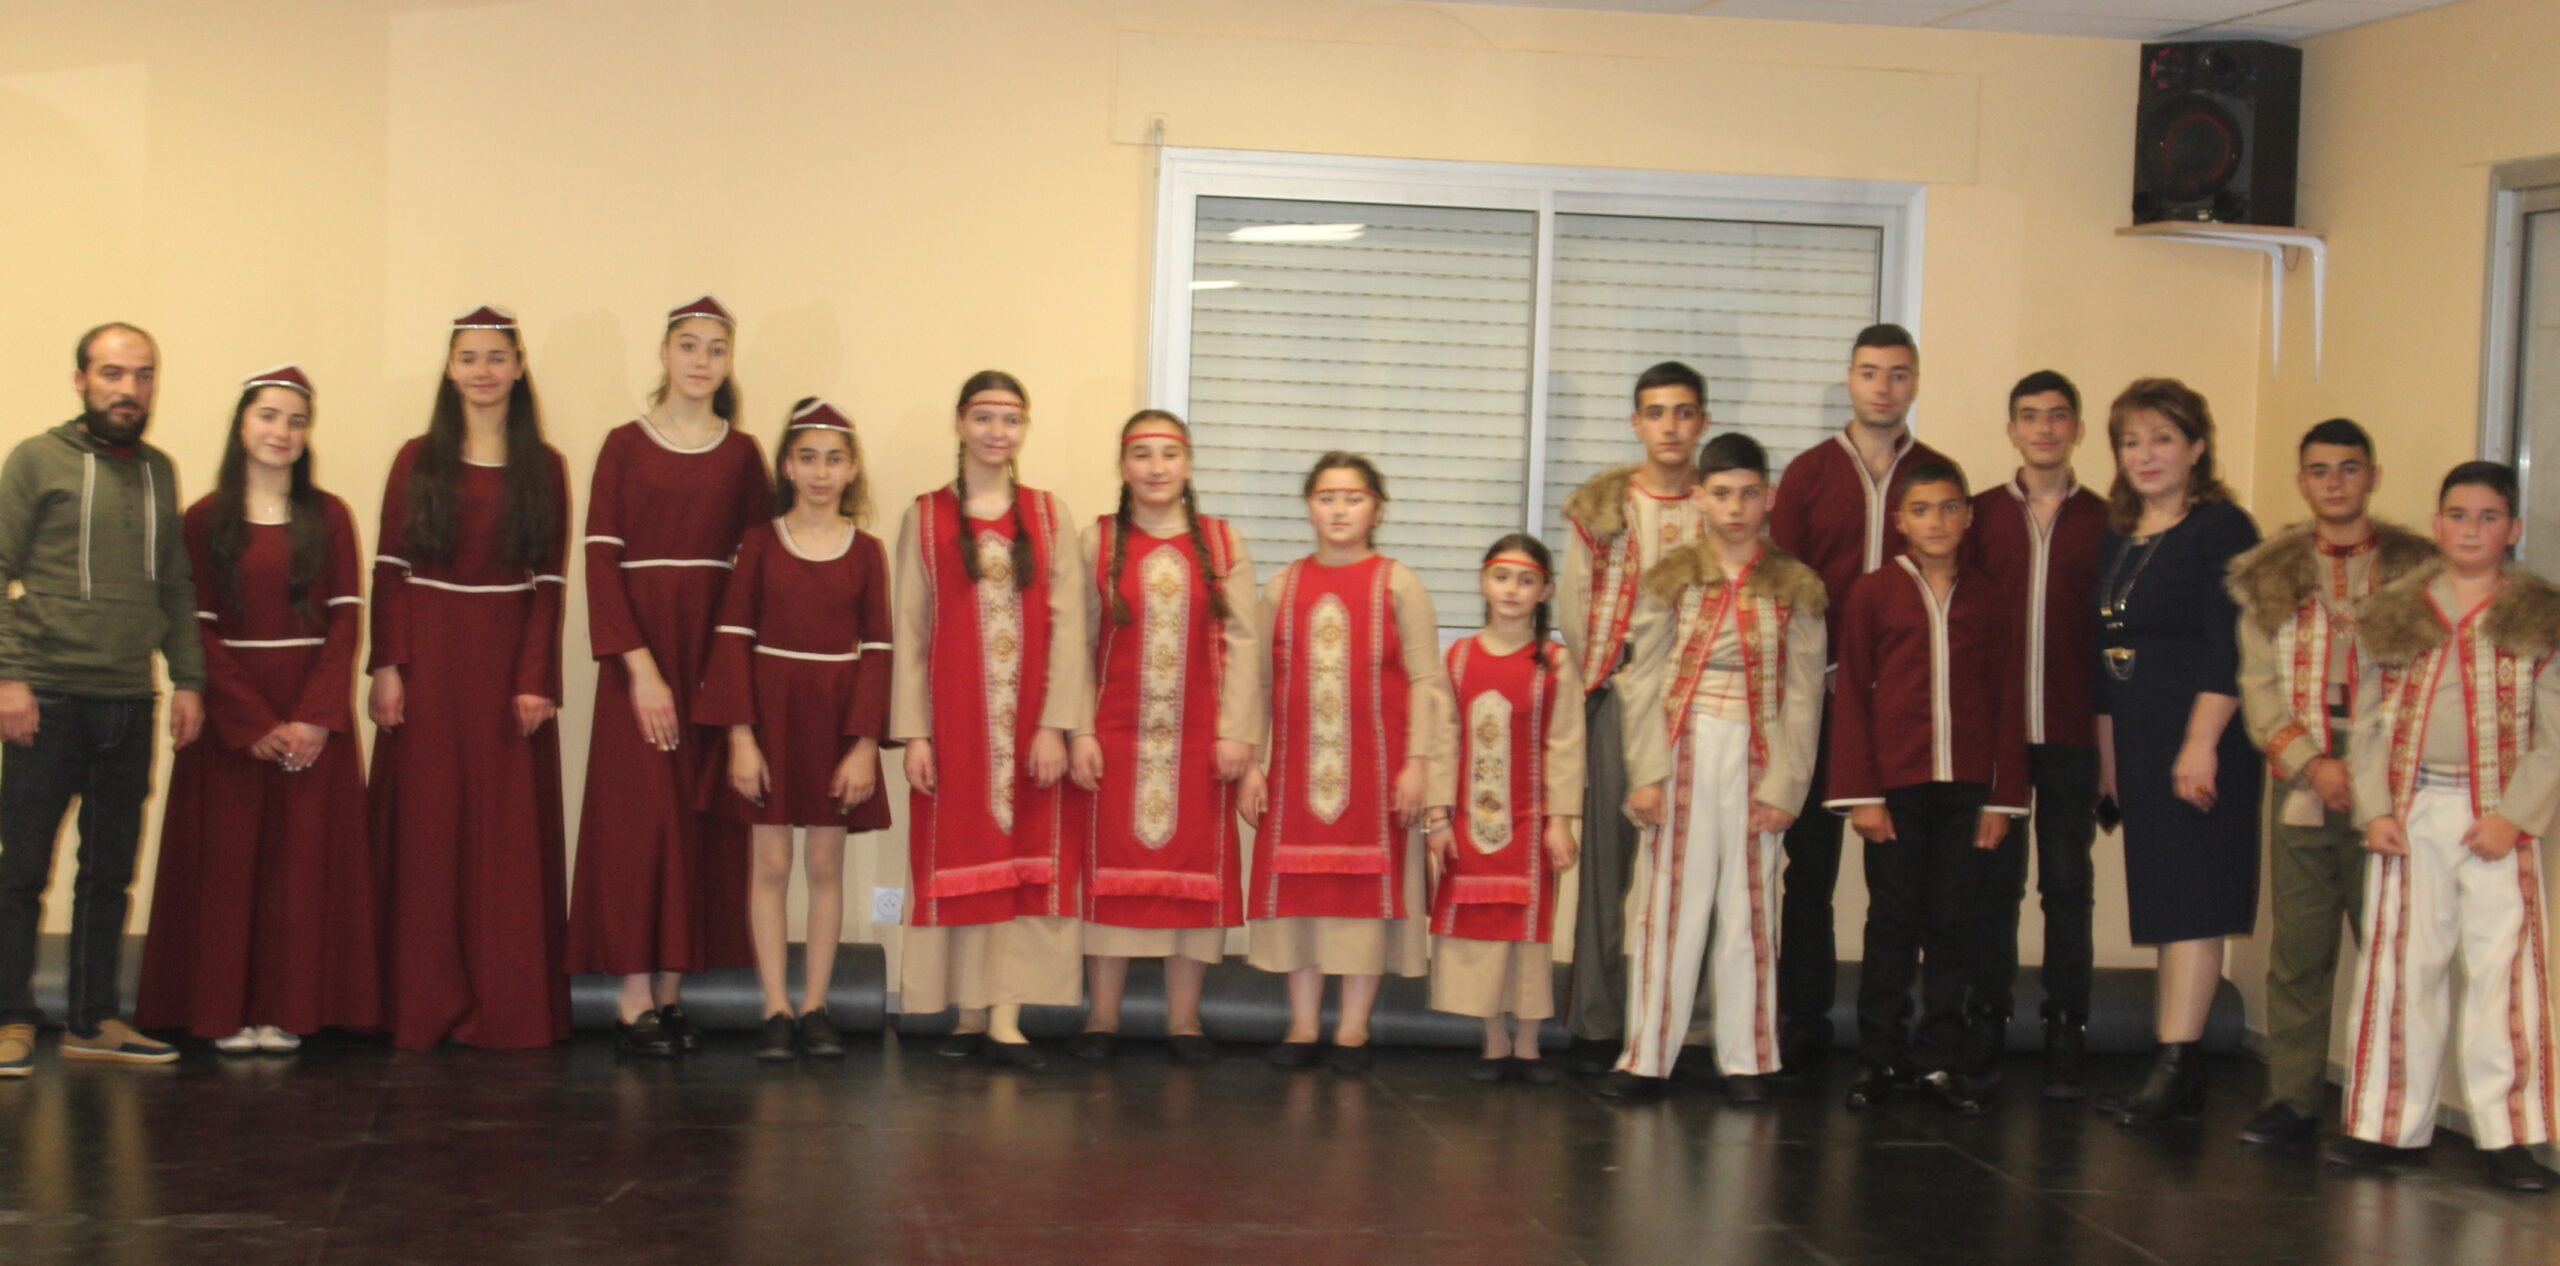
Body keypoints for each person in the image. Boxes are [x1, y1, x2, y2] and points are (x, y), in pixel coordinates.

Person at [134, 365, 381, 1052]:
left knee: (300, 871)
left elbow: (344, 623)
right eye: (270, 416)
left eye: (297, 421)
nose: (283, 432)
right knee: (230, 866)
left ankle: (289, 1008)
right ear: (243, 424)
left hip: (309, 714)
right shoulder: (204, 518)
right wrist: (251, 723)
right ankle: (225, 1010)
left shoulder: (329, 516)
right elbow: (195, 626)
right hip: (232, 718)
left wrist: (312, 719)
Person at [2333, 461, 2558, 1193]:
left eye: (2489, 517)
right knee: (2401, 966)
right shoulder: (2396, 612)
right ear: (2436, 525)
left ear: (2513, 530)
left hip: (2496, 817)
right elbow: (2365, 725)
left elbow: (2554, 736)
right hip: (2413, 809)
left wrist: (2515, 817)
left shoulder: (2540, 617)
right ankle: (2387, 1125)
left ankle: (2507, 1137)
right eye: (2458, 515)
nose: (2472, 529)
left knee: (2506, 974)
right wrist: (2375, 809)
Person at [568, 295, 772, 1057]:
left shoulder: (743, 455)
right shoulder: (625, 445)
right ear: (664, 354)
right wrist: (641, 671)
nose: (700, 360)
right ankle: (629, 998)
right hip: (643, 662)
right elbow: (599, 559)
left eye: (715, 349)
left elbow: (756, 568)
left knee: (695, 818)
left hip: (713, 657)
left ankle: (671, 995)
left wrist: (736, 674)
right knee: (637, 824)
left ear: (728, 361)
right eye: (687, 345)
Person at [0, 323, 206, 1074]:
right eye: (113, 373)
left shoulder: (160, 472)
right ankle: (9, 1019)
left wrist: (188, 678)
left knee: (109, 871)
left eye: (143, 375)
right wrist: (9, 678)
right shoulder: (35, 461)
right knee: (21, 870)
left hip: (131, 701)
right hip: (44, 701)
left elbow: (175, 585)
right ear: (80, 379)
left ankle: (94, 1018)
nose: (129, 389)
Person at [368, 305, 573, 1051]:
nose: (484, 371)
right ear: (450, 369)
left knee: (503, 838)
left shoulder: (544, 466)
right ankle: (420, 1002)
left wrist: (535, 679)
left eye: (497, 357)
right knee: (429, 833)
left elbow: (549, 581)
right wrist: (388, 666)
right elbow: (390, 569)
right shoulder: (414, 457)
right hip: (429, 662)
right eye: (469, 358)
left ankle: (504, 1003)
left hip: (504, 669)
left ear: (519, 368)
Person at [2225, 418, 2431, 1145]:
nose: (2335, 482)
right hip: (2303, 772)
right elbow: (2258, 685)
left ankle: (2390, 1108)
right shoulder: (2267, 573)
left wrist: (2367, 768)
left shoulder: (2422, 571)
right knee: (2301, 948)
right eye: (2320, 470)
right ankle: (2292, 1099)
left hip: (2397, 781)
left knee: (2394, 947)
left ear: (2373, 476)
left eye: (2349, 468)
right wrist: (2311, 761)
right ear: (2302, 480)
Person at [1602, 432, 1825, 1104]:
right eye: (1721, 493)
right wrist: (1644, 771)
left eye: (1748, 493)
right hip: (1682, 747)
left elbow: (1805, 693)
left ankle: (1749, 1059)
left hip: (1757, 755)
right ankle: (1646, 1056)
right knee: (1670, 901)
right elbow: (1641, 680)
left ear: (1769, 498)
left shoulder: (1797, 586)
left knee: (1749, 904)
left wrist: (1786, 787)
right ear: (1700, 498)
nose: (1734, 507)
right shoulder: (1672, 575)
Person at [891, 371, 1091, 1069]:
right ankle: (967, 1014)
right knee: (961, 858)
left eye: (1010, 419)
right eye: (984, 417)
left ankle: (1006, 1017)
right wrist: (914, 731)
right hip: (955, 728)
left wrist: (1054, 724)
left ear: (1023, 428)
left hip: (1030, 727)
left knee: (1025, 867)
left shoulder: (1046, 515)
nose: (997, 432)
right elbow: (909, 631)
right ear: (959, 422)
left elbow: (1070, 628)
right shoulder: (923, 517)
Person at [1765, 323, 1950, 1071]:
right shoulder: (1809, 474)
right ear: (1849, 378)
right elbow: (1778, 587)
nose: (1884, 386)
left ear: (1915, 382)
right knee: (1807, 870)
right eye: (1870, 372)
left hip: (1904, 711)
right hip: (1820, 700)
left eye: (1899, 374)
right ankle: (1802, 1018)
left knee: (1899, 880)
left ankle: (1885, 1031)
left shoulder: (1936, 475)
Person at [1825, 458, 2028, 1114]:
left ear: (1969, 516)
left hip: (1967, 788)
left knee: (1952, 923)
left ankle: (1940, 1056)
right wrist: (1862, 792)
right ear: (1899, 520)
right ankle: (1878, 1057)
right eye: (1921, 510)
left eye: (1948, 508)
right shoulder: (1872, 593)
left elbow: (2006, 698)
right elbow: (1852, 692)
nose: (1936, 522)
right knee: (1891, 922)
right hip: (1896, 785)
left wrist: (2002, 798)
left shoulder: (1991, 595)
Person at [1244, 452, 1454, 1073]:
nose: (1339, 510)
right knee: (1303, 899)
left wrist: (1419, 765)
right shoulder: (1282, 586)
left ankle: (1353, 1032)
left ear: (1377, 508)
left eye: (1353, 498)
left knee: (1362, 903)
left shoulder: (1399, 584)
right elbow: (1256, 684)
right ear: (1308, 505)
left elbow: (1426, 681)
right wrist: (1254, 763)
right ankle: (1303, 1027)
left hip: (1379, 773)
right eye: (1326, 497)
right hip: (1295, 775)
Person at [2088, 377, 2262, 1124]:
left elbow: (2233, 650)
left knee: (2193, 900)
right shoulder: (2121, 531)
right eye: (2132, 441)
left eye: (2163, 438)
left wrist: (2198, 747)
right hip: (2140, 733)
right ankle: (2174, 1060)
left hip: (2202, 737)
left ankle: (2178, 1065)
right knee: (2164, 898)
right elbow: (2104, 649)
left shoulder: (2223, 529)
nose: (2146, 454)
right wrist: (2110, 758)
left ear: (2196, 447)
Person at [1063, 411, 1261, 1063]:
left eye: (1168, 455)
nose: (1155, 468)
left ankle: (1184, 1021)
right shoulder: (1095, 542)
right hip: (1114, 738)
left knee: (1192, 879)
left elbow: (1244, 645)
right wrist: (1079, 731)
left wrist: (1239, 735)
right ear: (1123, 466)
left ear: (1189, 463)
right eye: (1141, 455)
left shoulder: (1225, 544)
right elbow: (1075, 644)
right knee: (1110, 877)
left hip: (1200, 742)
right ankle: (1102, 1019)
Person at [700, 399, 892, 1061]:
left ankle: (816, 1006)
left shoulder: (867, 552)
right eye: (807, 457)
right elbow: (730, 639)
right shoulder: (759, 543)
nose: (819, 471)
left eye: (833, 459)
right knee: (773, 862)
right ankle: (774, 1006)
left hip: (836, 723)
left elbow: (879, 650)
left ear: (852, 468)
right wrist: (741, 737)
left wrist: (865, 743)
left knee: (825, 862)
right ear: (787, 464)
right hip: (770, 716)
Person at [1555, 361, 1711, 1074]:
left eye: (1683, 412)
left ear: (1701, 422)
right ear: (1636, 424)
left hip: (1705, 704)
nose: (1670, 426)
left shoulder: (1722, 505)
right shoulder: (1605, 509)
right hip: (1622, 694)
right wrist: (1608, 678)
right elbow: (1574, 605)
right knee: (1607, 870)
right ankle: (1595, 1021)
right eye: (1656, 412)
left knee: (1696, 865)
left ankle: (1693, 1023)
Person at [1962, 370, 2109, 1098]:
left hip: (2077, 733)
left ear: (2077, 429)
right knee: (1994, 884)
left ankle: (2065, 1030)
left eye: (2058, 417)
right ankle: (1986, 1020)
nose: (2045, 429)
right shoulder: (1979, 516)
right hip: (1998, 736)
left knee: (2068, 884)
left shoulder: (2111, 522)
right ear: (2011, 429)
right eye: (2030, 416)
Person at [1427, 535, 1584, 1084]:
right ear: (1482, 583)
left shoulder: (1556, 663)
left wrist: (1560, 820)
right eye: (1501, 578)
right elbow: (1443, 740)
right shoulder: (1459, 658)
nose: (1511, 590)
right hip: (1469, 825)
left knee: (1528, 930)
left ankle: (1531, 1045)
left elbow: (1565, 745)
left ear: (1545, 591)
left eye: (1525, 581)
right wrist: (1439, 817)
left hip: (1531, 826)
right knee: (1479, 928)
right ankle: (1493, 1042)